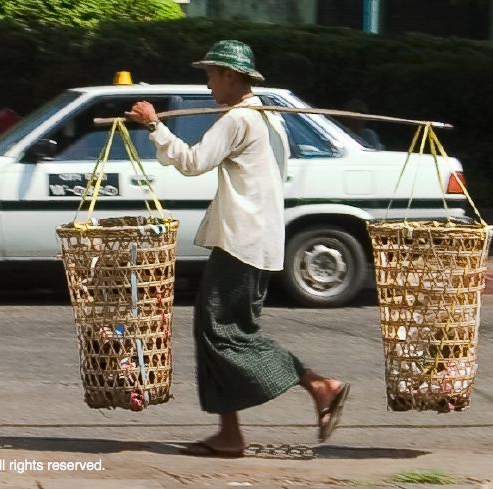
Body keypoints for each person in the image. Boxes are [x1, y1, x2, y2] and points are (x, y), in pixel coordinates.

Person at [126, 40, 350, 457]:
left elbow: (193, 162)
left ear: (231, 76)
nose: (208, 83)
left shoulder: (239, 119)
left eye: (212, 75)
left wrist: (153, 125)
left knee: (225, 332)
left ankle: (319, 384)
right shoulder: (268, 117)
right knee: (217, 329)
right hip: (257, 240)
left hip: (241, 240)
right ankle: (230, 433)